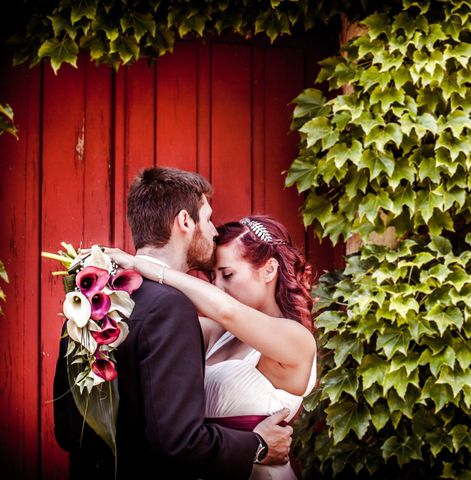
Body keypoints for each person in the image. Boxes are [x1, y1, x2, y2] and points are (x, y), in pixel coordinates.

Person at [53, 167, 292, 479]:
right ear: (184, 221)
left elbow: (68, 431)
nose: (213, 231)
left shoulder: (90, 301)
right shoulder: (170, 307)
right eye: (207, 218)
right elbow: (180, 445)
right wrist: (256, 445)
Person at [104, 214, 317, 480]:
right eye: (212, 276)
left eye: (227, 274)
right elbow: (156, 319)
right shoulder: (218, 332)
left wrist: (141, 265)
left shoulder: (296, 338)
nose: (217, 286)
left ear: (270, 270)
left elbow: (224, 309)